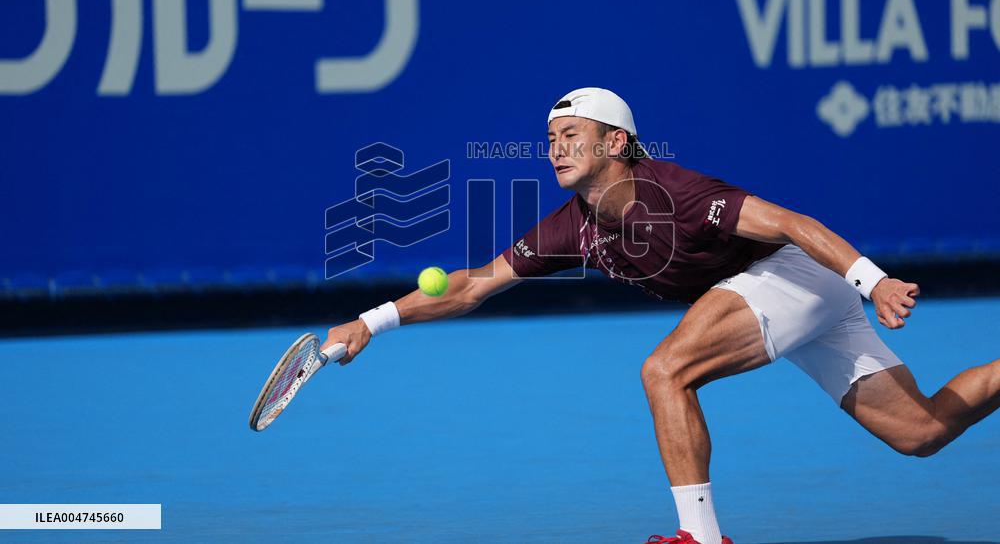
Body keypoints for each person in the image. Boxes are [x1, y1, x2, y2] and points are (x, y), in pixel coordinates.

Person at [322, 87, 1000, 544]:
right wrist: (373, 320)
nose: (554, 148)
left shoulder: (675, 192)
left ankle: (699, 538)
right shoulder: (572, 226)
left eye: (571, 135)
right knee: (921, 432)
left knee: (665, 369)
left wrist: (873, 281)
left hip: (791, 275)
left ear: (616, 143)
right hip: (782, 301)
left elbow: (791, 222)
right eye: (550, 138)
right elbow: (473, 287)